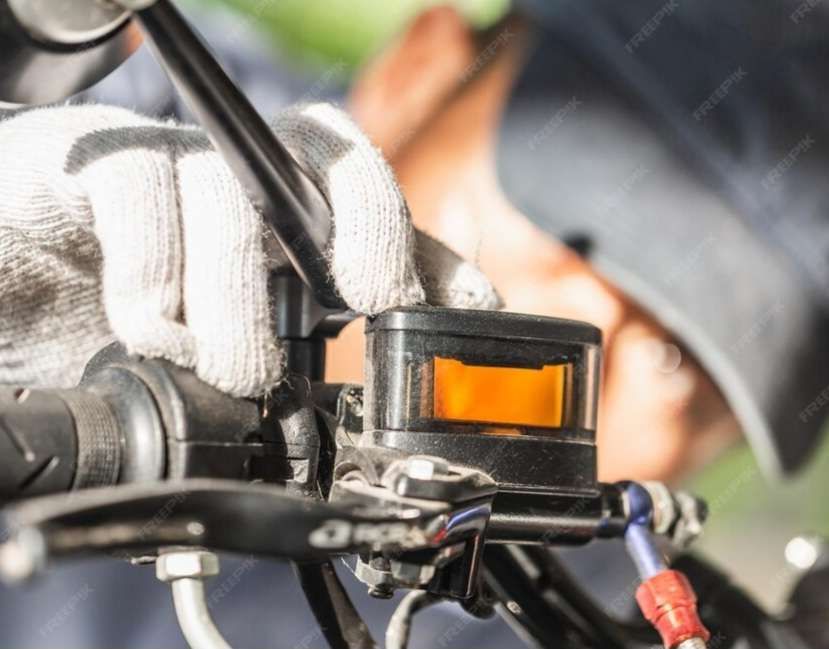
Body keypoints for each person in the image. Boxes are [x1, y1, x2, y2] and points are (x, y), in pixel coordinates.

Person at [0, 1, 827, 648]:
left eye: (674, 359)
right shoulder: (99, 79)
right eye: (570, 230)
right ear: (417, 74)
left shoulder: (594, 613)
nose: (588, 332)